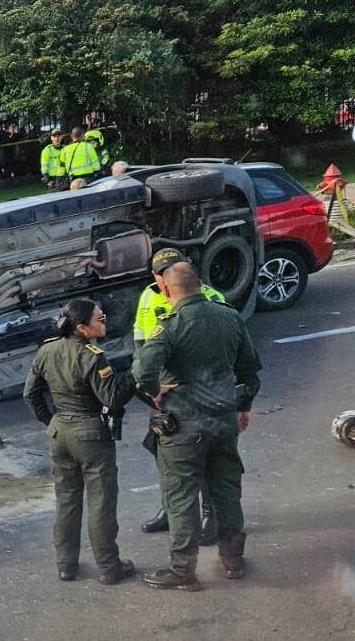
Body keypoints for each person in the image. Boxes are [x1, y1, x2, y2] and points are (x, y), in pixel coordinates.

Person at [132, 262, 262, 591]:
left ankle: (183, 571)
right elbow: (250, 372)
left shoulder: (169, 326)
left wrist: (155, 393)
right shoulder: (230, 316)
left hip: (183, 424)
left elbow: (143, 372)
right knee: (226, 491)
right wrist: (243, 407)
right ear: (200, 284)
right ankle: (233, 560)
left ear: (165, 289)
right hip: (223, 419)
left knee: (181, 497)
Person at [23, 298, 135, 584]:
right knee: (101, 502)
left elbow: (31, 394)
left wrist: (50, 421)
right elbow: (111, 398)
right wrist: (133, 378)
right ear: (83, 328)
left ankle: (66, 566)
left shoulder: (46, 351)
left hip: (60, 432)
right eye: (99, 318)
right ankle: (109, 568)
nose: (104, 320)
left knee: (67, 501)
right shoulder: (93, 356)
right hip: (90, 434)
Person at [133, 249, 229, 536]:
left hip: (198, 392)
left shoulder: (210, 298)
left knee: (205, 457)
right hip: (161, 393)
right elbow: (140, 335)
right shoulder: (149, 297)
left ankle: (210, 515)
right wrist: (151, 388)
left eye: (170, 271)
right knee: (163, 453)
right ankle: (170, 509)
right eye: (160, 273)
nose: (163, 279)